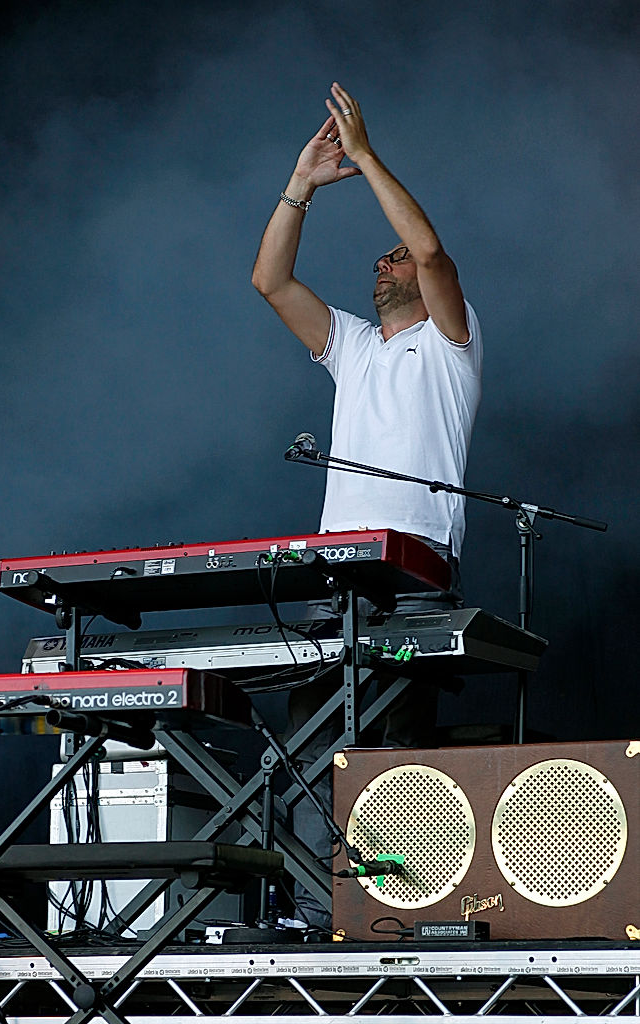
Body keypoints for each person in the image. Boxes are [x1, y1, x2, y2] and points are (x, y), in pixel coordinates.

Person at [252, 82, 483, 931]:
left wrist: (367, 151)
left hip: (413, 566)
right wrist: (300, 185)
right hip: (335, 569)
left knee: (393, 755)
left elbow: (429, 252)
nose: (380, 263)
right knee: (317, 748)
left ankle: (401, 909)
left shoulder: (449, 344)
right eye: (377, 260)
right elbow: (269, 279)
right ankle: (319, 911)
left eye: (388, 258)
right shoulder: (350, 344)